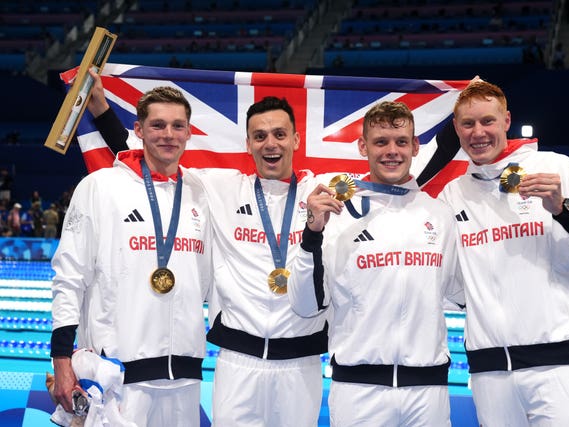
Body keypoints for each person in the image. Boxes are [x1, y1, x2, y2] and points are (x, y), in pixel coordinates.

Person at [86, 71, 465, 426]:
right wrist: (102, 111)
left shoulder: (326, 191)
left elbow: (403, 167)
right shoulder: (218, 188)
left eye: (280, 134)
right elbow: (155, 155)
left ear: (296, 140)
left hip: (301, 365)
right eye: (261, 135)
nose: (271, 143)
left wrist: (461, 114)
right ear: (248, 143)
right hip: (237, 364)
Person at [439, 80, 569, 426]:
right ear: (456, 128)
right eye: (468, 124)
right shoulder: (452, 195)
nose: (478, 132)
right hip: (489, 373)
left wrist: (564, 209)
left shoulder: (555, 168)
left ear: (506, 120)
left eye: (487, 121)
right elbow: (448, 282)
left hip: (556, 368)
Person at [288, 101, 464, 426]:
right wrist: (312, 233)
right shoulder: (336, 215)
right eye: (381, 142)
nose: (391, 152)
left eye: (400, 142)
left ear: (415, 147)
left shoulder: (438, 215)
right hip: (358, 391)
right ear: (362, 146)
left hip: (427, 392)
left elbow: (462, 294)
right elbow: (304, 303)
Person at [50, 85, 215, 426]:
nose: (168, 134)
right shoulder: (100, 187)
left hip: (184, 378)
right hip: (118, 379)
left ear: (188, 132)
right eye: (157, 125)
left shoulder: (202, 191)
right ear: (138, 130)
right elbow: (69, 277)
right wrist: (61, 361)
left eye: (177, 126)